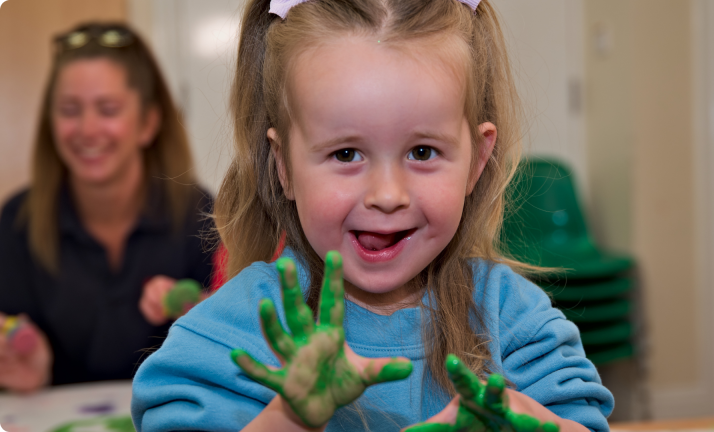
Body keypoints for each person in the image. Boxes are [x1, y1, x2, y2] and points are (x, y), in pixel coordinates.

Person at [131, 0, 615, 431]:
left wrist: (521, 416)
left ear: (477, 160)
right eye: (346, 154)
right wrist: (288, 417)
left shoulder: (512, 320)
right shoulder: (244, 326)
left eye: (422, 151)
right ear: (284, 166)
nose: (387, 195)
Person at [0, 22, 216, 392]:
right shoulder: (18, 221)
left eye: (108, 109)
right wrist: (22, 367)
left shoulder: (200, 214)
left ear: (148, 123)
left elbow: (226, 360)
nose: (87, 129)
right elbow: (14, 340)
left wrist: (209, 317)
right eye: (69, 109)